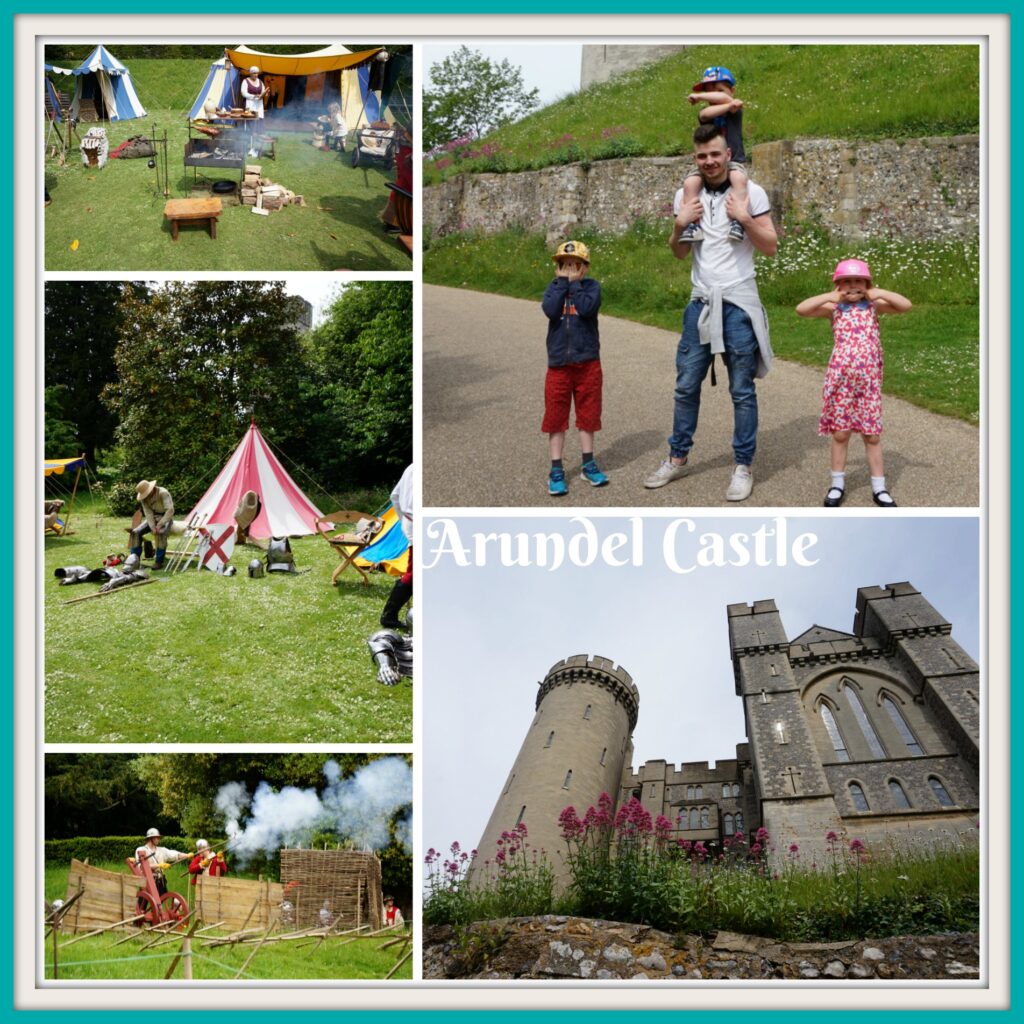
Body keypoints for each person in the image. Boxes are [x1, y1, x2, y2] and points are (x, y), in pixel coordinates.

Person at [645, 122, 777, 502]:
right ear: (695, 158)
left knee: (741, 389)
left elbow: (770, 246)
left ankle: (742, 466)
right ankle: (676, 457)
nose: (709, 161)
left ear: (728, 154)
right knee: (686, 385)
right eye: (702, 156)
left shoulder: (751, 192)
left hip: (738, 302)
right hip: (701, 301)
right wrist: (678, 225)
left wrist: (746, 218)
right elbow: (679, 251)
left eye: (715, 154)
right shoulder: (686, 195)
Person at [795, 259, 912, 507]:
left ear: (867, 283)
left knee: (871, 435)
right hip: (841, 381)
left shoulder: (874, 306)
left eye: (858, 280)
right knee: (841, 433)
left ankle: (879, 488)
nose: (852, 286)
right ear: (838, 285)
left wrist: (877, 292)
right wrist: (831, 296)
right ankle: (837, 484)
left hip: (868, 383)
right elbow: (802, 309)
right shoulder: (833, 308)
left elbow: (905, 306)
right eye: (846, 281)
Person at [541, 240, 608, 496]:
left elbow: (587, 308)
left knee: (588, 415)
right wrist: (561, 284)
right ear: (557, 267)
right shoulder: (553, 289)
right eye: (564, 264)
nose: (569, 269)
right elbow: (550, 310)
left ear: (584, 268)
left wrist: (576, 284)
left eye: (575, 265)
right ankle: (556, 469)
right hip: (558, 364)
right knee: (556, 417)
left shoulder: (591, 288)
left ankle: (588, 463)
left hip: (587, 362)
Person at [679, 66, 749, 244]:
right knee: (690, 183)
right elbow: (705, 112)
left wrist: (702, 96)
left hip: (733, 162)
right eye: (709, 93)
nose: (714, 96)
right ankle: (692, 225)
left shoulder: (734, 110)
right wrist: (716, 100)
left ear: (731, 91)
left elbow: (726, 99)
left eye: (718, 90)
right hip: (710, 164)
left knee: (739, 180)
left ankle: (738, 222)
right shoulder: (708, 114)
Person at [380, 464, 413, 629]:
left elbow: (395, 496)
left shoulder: (411, 468)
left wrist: (403, 521)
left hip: (412, 523)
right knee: (414, 574)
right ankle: (389, 615)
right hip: (422, 526)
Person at [130, 480, 174, 570]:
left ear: (152, 488)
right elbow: (148, 513)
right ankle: (134, 560)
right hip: (153, 518)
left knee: (161, 533)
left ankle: (159, 562)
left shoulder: (163, 493)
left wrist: (160, 524)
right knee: (135, 532)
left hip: (165, 517)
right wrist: (153, 527)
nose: (146, 496)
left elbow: (170, 511)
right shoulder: (143, 498)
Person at [133, 828, 188, 897]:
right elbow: (141, 866)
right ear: (151, 838)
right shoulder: (141, 850)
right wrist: (159, 865)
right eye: (157, 837)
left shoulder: (162, 850)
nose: (159, 839)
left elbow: (175, 854)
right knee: (143, 904)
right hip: (147, 881)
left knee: (159, 904)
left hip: (160, 880)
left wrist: (187, 855)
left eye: (159, 837)